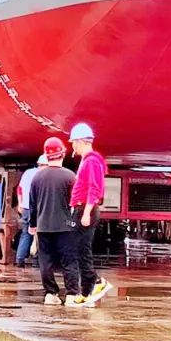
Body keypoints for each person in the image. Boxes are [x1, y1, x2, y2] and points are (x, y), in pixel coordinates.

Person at [28, 138, 79, 305]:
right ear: (62, 154)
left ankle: (50, 294)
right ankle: (71, 295)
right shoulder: (70, 176)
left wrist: (33, 225)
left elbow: (33, 204)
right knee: (69, 261)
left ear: (46, 155)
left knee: (46, 261)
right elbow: (75, 202)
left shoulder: (37, 177)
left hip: (43, 226)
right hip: (65, 226)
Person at [68, 122, 112, 306]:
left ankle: (96, 282)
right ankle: (86, 292)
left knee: (82, 250)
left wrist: (86, 212)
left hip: (85, 209)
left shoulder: (91, 161)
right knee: (80, 250)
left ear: (80, 141)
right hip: (82, 208)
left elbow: (94, 188)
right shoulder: (89, 160)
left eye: (73, 142)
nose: (73, 146)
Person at [15, 155, 47, 266]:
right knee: (40, 235)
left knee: (26, 233)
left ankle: (20, 259)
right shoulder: (44, 175)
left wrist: (20, 203)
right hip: (38, 209)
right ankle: (36, 261)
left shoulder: (28, 173)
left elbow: (19, 189)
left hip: (25, 208)